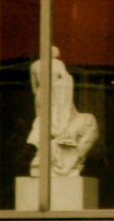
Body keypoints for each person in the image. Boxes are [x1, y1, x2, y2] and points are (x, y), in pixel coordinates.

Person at [26, 46, 98, 177]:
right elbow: (65, 77)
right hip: (55, 93)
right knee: (57, 117)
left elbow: (34, 86)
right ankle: (57, 140)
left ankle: (48, 147)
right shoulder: (58, 63)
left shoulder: (35, 65)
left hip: (40, 95)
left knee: (43, 120)